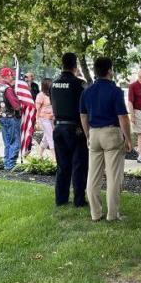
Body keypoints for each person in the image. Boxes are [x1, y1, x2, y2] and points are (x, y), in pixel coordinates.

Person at [80, 56, 132, 221]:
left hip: (94, 133)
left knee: (93, 177)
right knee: (113, 176)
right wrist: (128, 139)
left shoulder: (87, 91)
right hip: (111, 133)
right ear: (109, 70)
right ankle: (112, 214)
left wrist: (88, 134)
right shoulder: (115, 91)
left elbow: (83, 116)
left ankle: (95, 213)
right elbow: (123, 117)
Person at [51, 52, 88, 207]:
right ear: (75, 66)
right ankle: (79, 200)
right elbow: (83, 108)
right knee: (79, 165)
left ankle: (61, 199)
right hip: (75, 128)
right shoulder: (79, 84)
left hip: (58, 127)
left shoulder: (54, 83)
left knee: (62, 165)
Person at [0, 67, 22, 170]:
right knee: (15, 142)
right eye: (11, 75)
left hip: (1, 117)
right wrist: (21, 105)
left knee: (7, 142)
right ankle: (11, 164)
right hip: (10, 117)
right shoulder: (8, 89)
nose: (12, 77)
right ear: (7, 76)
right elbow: (16, 106)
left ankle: (6, 163)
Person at [36, 77, 55, 159]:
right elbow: (37, 109)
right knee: (51, 137)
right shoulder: (40, 95)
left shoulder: (52, 94)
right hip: (44, 119)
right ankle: (55, 157)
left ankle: (39, 155)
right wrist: (37, 121)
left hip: (52, 119)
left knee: (46, 137)